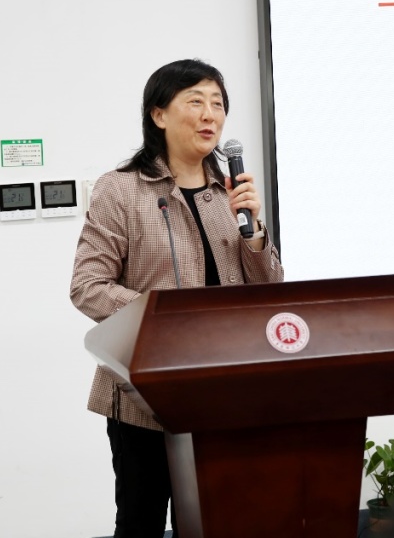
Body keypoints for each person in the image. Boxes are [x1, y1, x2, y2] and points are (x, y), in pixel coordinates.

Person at [70, 58, 284, 538]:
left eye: (218, 104)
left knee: (221, 520)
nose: (211, 114)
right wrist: (164, 317)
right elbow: (88, 286)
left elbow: (268, 292)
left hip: (224, 390)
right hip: (145, 395)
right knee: (141, 523)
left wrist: (254, 233)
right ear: (159, 114)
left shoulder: (230, 194)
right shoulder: (121, 190)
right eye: (196, 101)